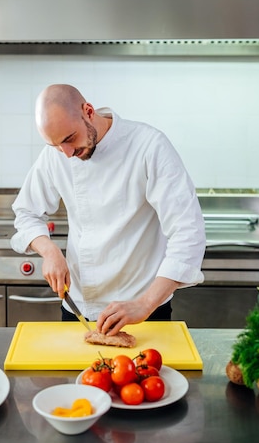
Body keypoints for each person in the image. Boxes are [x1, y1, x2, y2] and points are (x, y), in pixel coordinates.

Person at [11, 84, 205, 336]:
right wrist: (49, 251)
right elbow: (26, 212)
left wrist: (145, 304)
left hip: (144, 310)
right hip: (79, 306)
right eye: (56, 145)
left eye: (69, 139)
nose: (67, 154)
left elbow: (188, 231)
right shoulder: (56, 155)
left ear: (88, 111)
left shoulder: (148, 145)